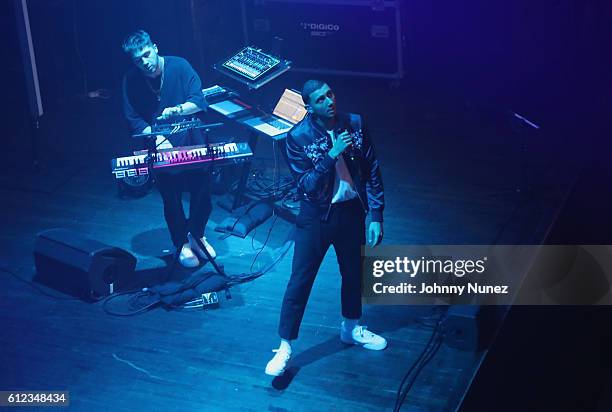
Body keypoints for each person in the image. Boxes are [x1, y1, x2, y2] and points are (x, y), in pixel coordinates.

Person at [265, 80, 386, 376]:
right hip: (315, 218)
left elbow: (371, 168)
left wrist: (377, 215)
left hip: (351, 212)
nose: (329, 101)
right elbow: (305, 185)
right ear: (310, 106)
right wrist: (331, 155)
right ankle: (284, 348)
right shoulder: (297, 137)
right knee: (300, 280)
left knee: (354, 273)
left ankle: (351, 327)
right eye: (320, 99)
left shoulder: (355, 123)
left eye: (330, 94)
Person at [121, 30, 215, 267]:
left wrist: (179, 110)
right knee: (171, 198)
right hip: (160, 145)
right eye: (138, 59)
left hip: (192, 139)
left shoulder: (180, 66)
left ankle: (197, 235)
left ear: (155, 47)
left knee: (202, 193)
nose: (145, 62)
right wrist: (157, 139)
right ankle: (181, 243)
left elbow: (198, 100)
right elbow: (134, 120)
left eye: (146, 54)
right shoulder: (131, 80)